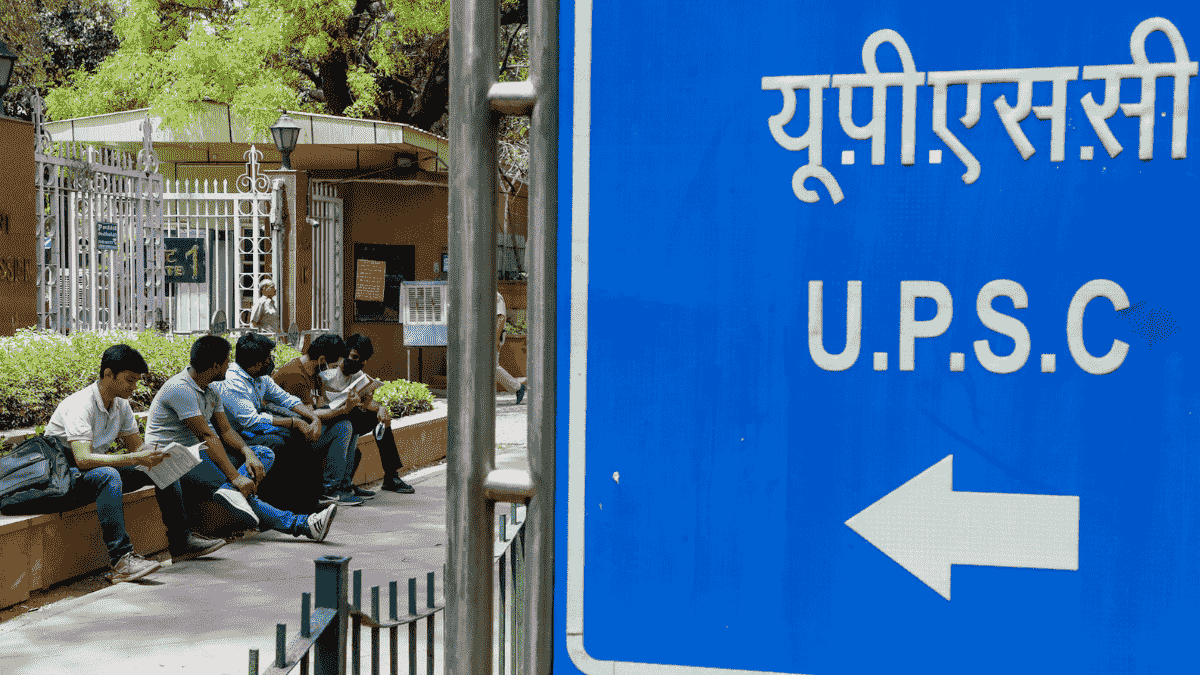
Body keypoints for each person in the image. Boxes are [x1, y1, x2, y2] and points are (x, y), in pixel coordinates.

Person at [1, 345, 227, 583]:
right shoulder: (80, 404)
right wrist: (133, 458)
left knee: (161, 469)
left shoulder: (121, 404)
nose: (133, 387)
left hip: (85, 474)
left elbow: (136, 449)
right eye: (129, 380)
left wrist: (162, 454)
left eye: (137, 381)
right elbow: (83, 459)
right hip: (62, 479)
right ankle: (121, 560)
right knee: (109, 475)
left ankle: (181, 543)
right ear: (108, 374)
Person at [144, 335, 337, 542]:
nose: (230, 365)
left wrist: (247, 453)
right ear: (216, 365)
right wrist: (235, 477)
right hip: (173, 457)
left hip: (199, 452)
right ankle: (302, 525)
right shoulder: (180, 388)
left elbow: (226, 432)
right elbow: (207, 435)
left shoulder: (211, 390)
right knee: (235, 487)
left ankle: (232, 491)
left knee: (261, 453)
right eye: (227, 361)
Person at [212, 333, 358, 509]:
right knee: (284, 440)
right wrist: (294, 422)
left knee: (295, 436)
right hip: (235, 436)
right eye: (267, 358)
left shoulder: (260, 377)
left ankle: (306, 500)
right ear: (257, 363)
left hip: (251, 431)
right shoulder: (234, 382)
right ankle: (290, 502)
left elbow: (287, 399)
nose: (271, 361)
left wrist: (313, 418)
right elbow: (251, 421)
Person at [275, 333, 415, 494]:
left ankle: (391, 476)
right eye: (353, 357)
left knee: (378, 420)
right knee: (347, 423)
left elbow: (368, 402)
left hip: (335, 416)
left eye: (362, 360)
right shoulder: (320, 373)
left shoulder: (354, 375)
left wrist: (381, 408)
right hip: (322, 421)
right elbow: (312, 412)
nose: (356, 363)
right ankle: (340, 486)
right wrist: (344, 408)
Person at [496, 291, 526, 404]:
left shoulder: (495, 296)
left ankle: (518, 387)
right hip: (486, 337)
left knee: (492, 367)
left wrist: (495, 339)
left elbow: (500, 318)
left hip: (493, 336)